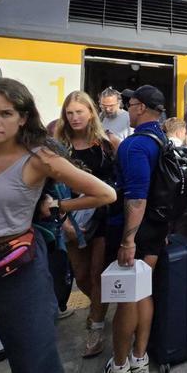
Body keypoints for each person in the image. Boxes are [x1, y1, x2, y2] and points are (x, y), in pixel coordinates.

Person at [0, 78, 116, 372]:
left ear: (23, 118)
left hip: (20, 271)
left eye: (6, 114)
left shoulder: (39, 157)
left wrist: (58, 206)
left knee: (35, 363)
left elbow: (105, 193)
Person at [105, 85, 170, 373]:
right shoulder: (162, 138)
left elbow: (137, 195)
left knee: (126, 300)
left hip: (135, 230)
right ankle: (140, 358)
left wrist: (127, 240)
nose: (127, 110)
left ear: (141, 107)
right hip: (157, 227)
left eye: (129, 105)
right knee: (144, 292)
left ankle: (119, 363)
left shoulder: (135, 145)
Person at [53, 91, 121, 358]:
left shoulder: (107, 143)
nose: (74, 117)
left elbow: (119, 181)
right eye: (69, 113)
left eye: (79, 112)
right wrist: (64, 218)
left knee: (97, 275)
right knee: (80, 276)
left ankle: (96, 325)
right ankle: (99, 308)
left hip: (102, 217)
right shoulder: (58, 144)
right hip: (69, 218)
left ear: (91, 113)